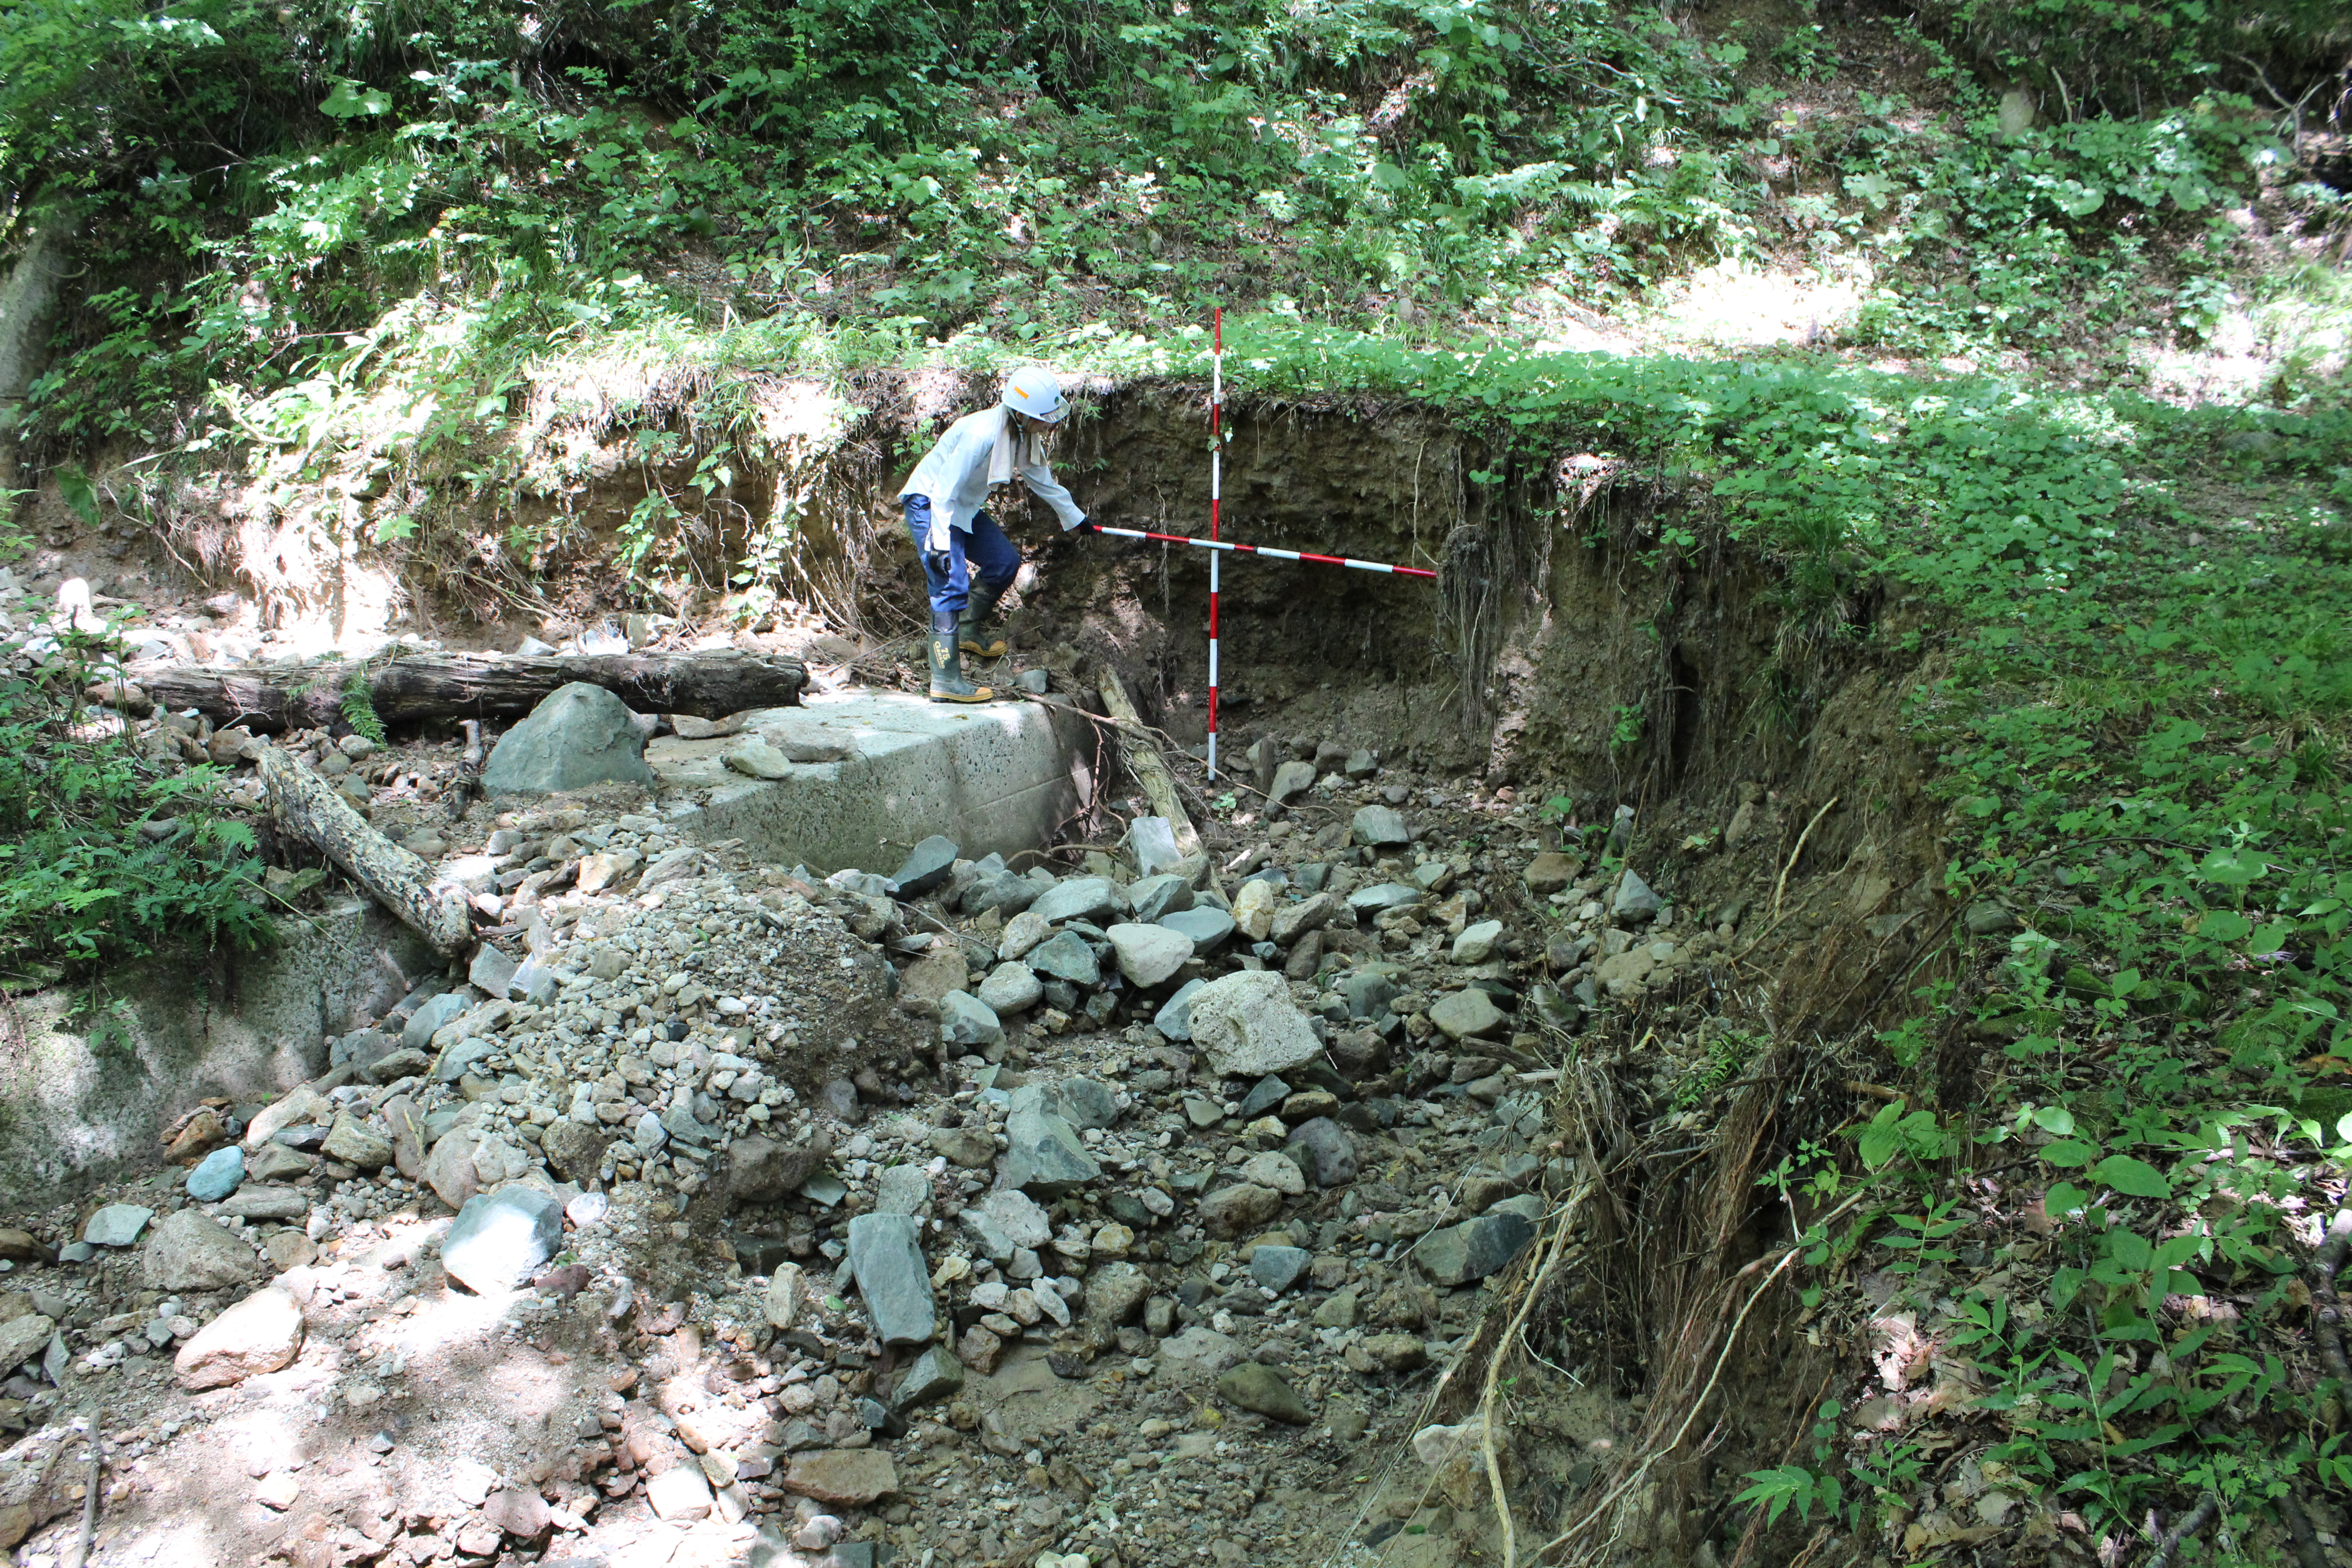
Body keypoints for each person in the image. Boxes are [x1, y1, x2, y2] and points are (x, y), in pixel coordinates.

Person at [898, 368, 1094, 701]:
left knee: (1003, 562)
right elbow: (944, 489)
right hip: (930, 504)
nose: (1052, 424)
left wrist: (1075, 518)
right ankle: (945, 680)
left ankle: (969, 631)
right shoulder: (982, 433)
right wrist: (942, 545)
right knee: (950, 583)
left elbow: (1042, 480)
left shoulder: (1021, 435)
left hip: (961, 506)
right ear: (1022, 413)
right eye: (1045, 418)